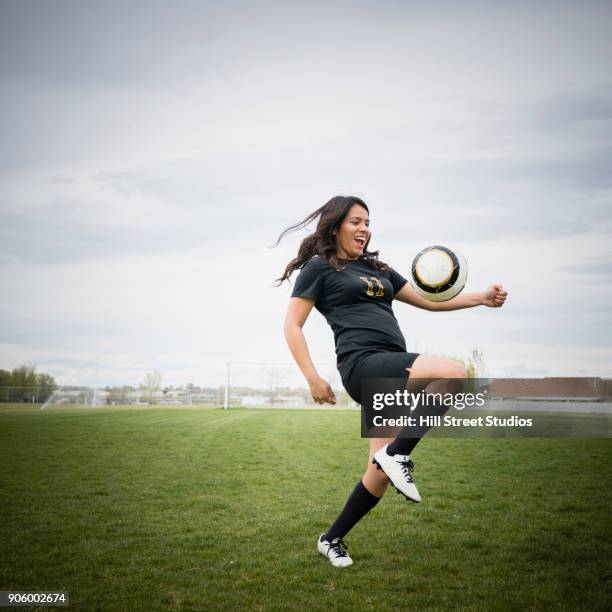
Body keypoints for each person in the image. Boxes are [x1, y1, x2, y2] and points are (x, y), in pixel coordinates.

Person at [274, 195, 507, 568]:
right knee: (454, 372)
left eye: (367, 222)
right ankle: (399, 453)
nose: (364, 228)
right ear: (335, 226)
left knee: (377, 475)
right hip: (362, 365)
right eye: (355, 221)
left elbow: (429, 301)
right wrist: (313, 378)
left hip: (390, 368)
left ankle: (331, 538)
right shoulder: (319, 269)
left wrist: (480, 297)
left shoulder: (378, 268)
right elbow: (292, 325)